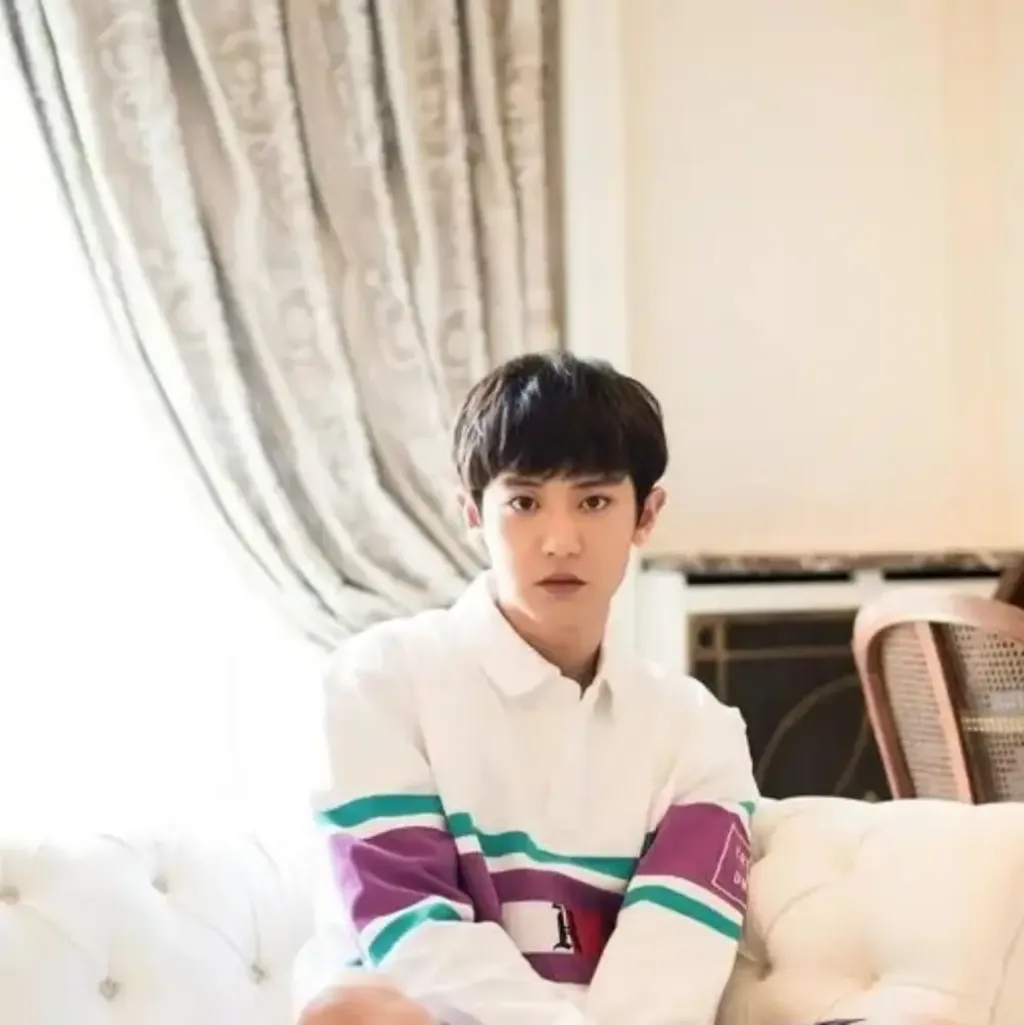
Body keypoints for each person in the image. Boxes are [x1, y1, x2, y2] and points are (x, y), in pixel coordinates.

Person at [298, 351, 759, 1025]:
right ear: (472, 513)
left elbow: (672, 968)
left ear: (647, 514)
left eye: (594, 501)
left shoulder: (699, 730)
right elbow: (413, 935)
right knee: (357, 1010)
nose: (560, 540)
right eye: (523, 502)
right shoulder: (378, 679)